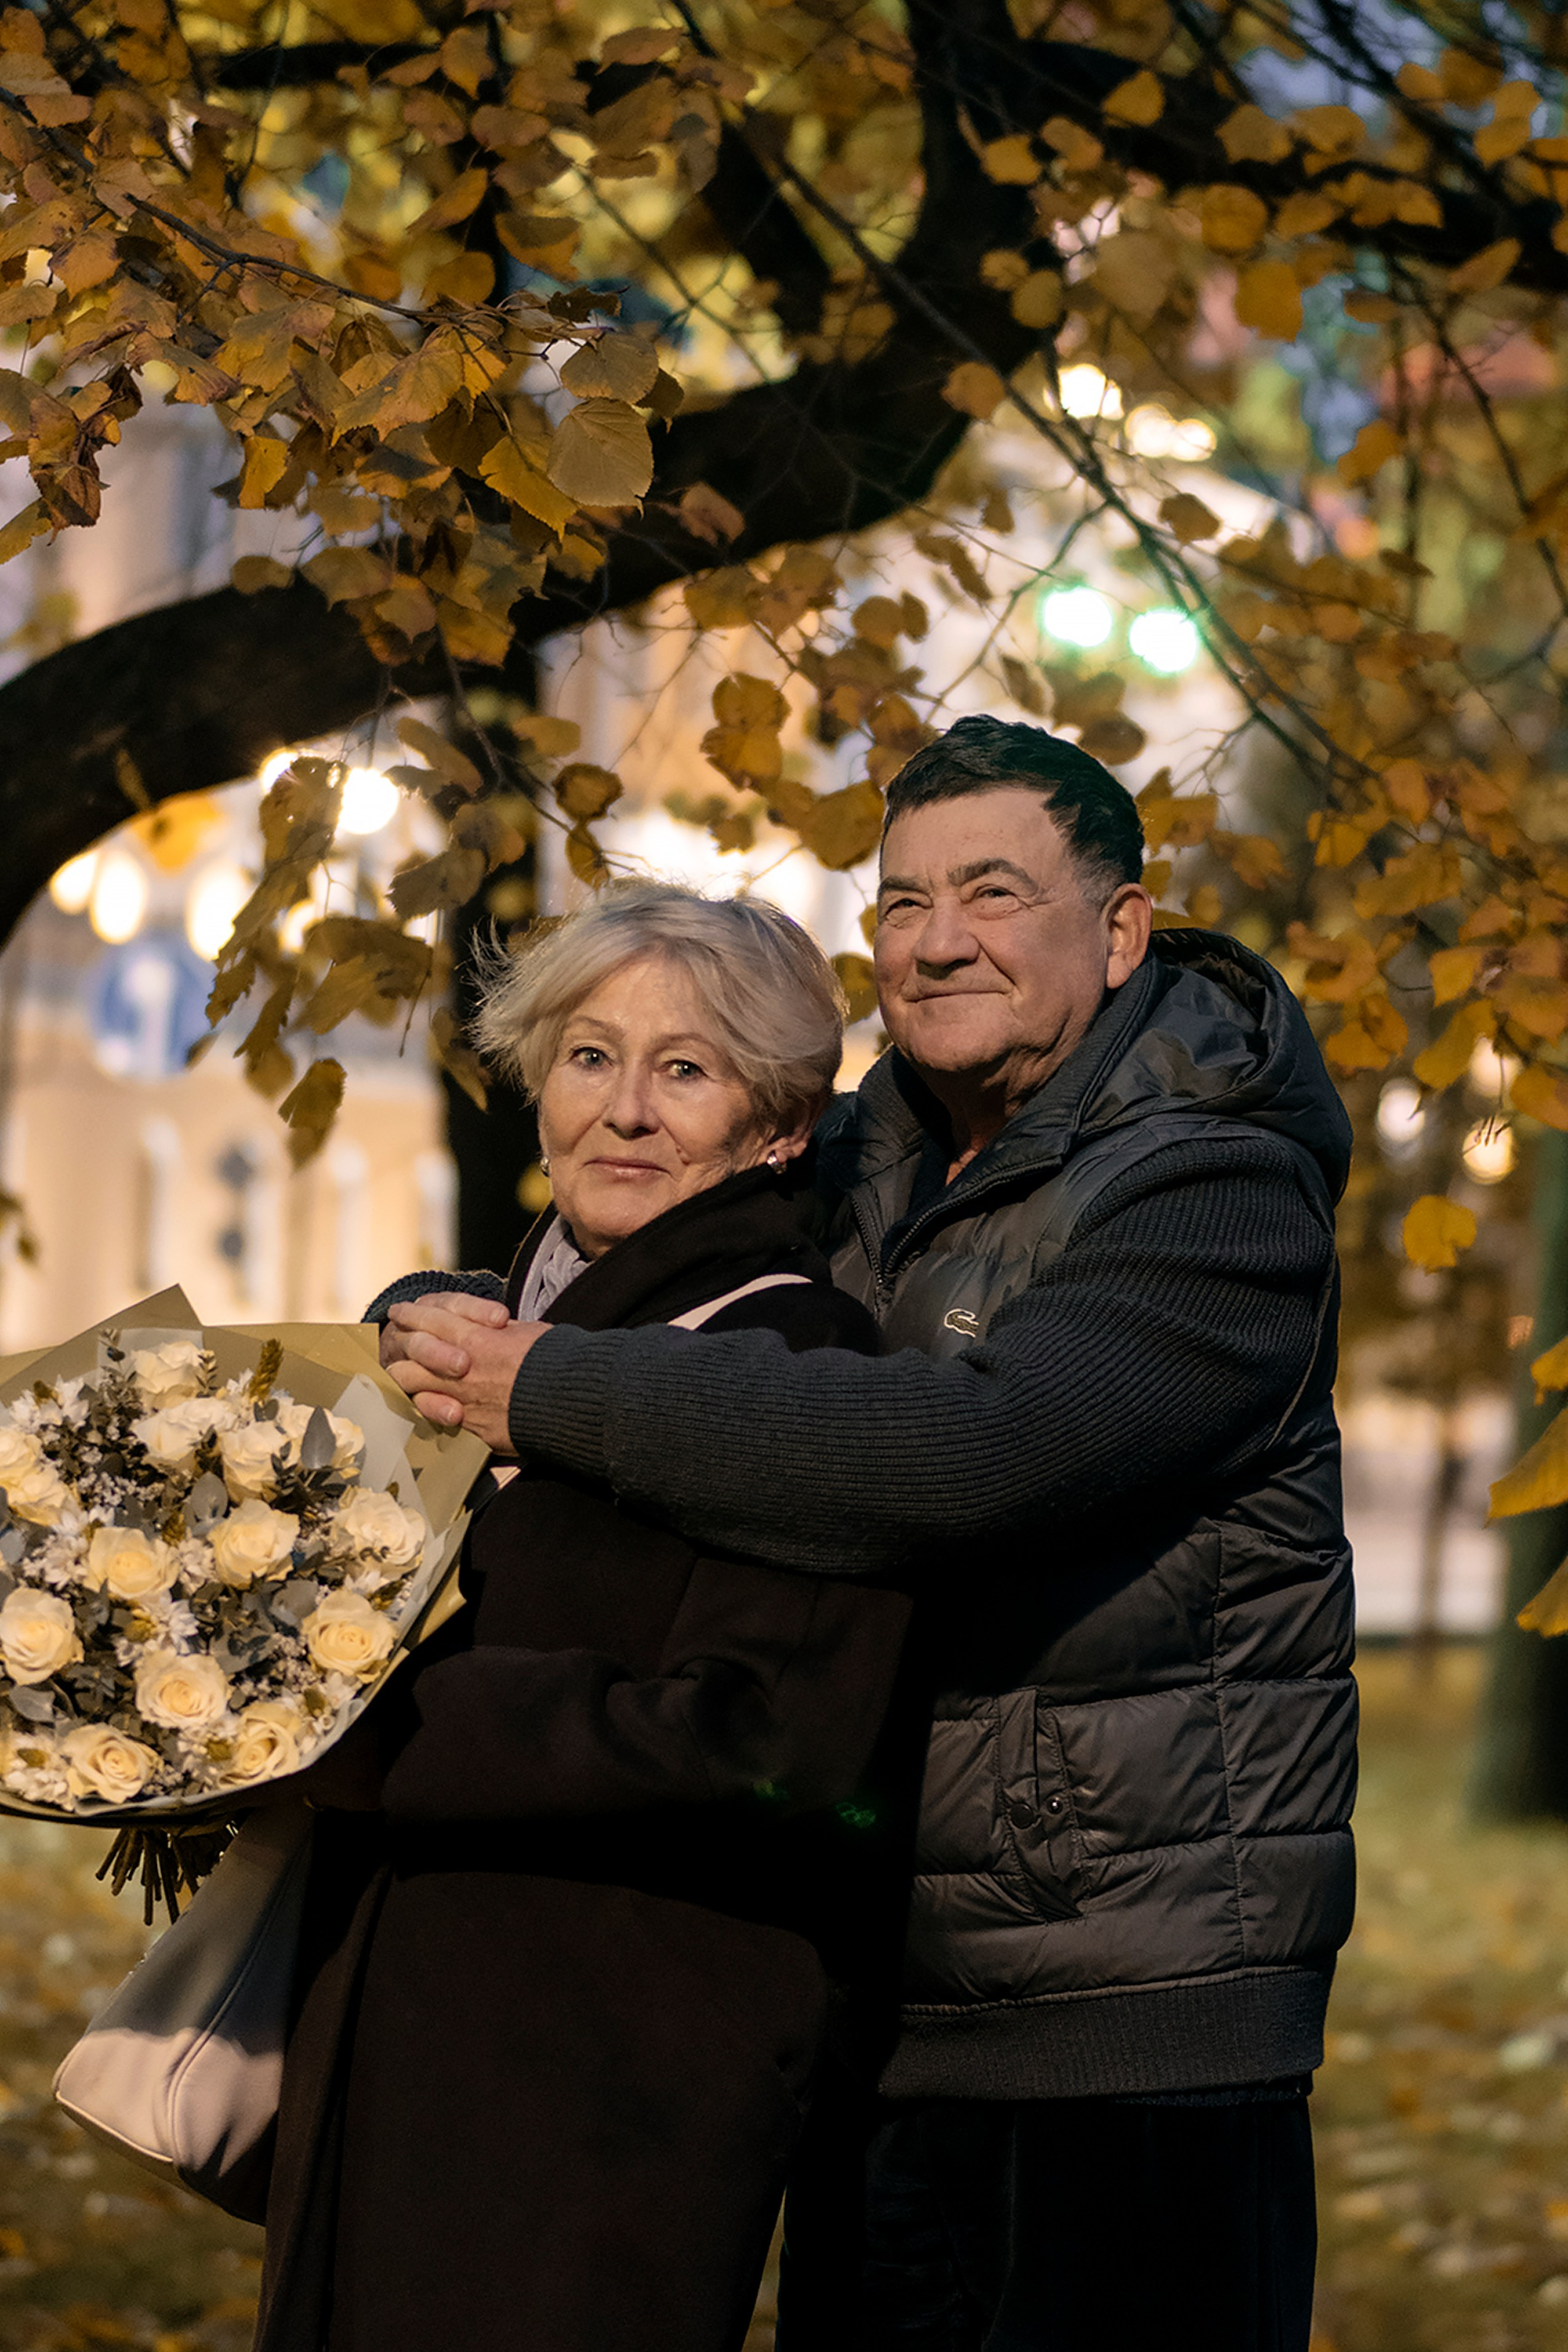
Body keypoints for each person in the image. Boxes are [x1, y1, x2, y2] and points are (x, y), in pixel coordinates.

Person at [382, 716, 1357, 2352]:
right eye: (900, 903)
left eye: (992, 893)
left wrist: (540, 1385)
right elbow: (632, 1268)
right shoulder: (844, 1158)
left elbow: (978, 1452)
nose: (937, 939)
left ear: (1117, 931)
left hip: (1124, 2016)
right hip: (867, 1986)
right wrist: (432, 1325)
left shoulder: (1213, 1194)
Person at [255, 883, 919, 2352]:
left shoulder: (795, 1355)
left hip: (610, 2075)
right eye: (590, 1055)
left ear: (779, 1123)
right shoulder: (479, 1337)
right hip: (398, 2026)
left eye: (686, 1068)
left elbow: (774, 1742)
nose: (625, 1109)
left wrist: (384, 1724)